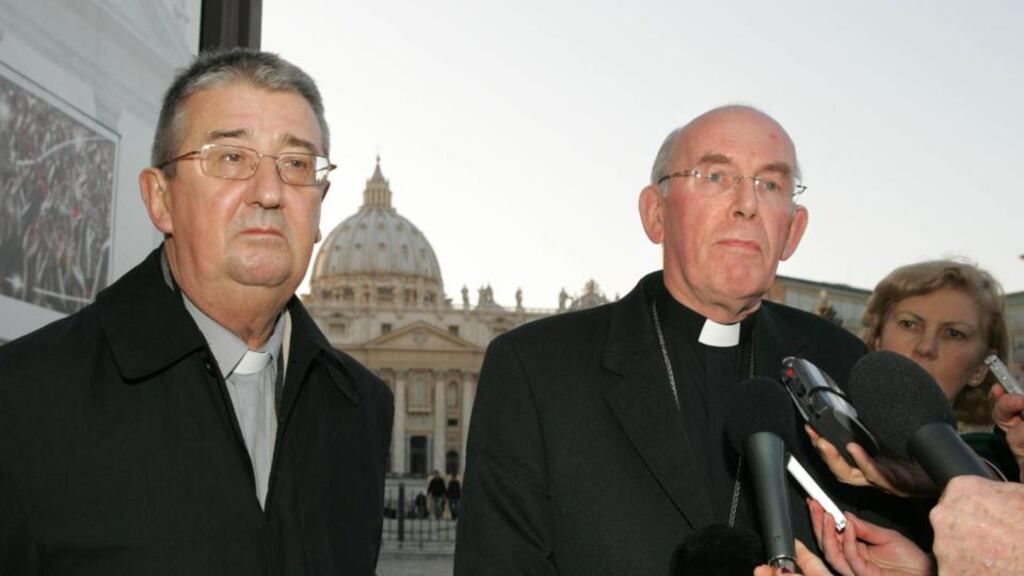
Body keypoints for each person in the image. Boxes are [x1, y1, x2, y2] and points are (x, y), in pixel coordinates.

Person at [0, 49, 393, 574]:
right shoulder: (20, 399)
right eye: (231, 158)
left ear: (319, 210)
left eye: (297, 165)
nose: (270, 192)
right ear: (160, 199)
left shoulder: (363, 407)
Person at [455, 105, 875, 575]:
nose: (747, 203)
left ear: (793, 231)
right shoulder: (535, 367)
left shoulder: (843, 366)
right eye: (716, 176)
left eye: (770, 184)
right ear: (656, 214)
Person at [807, 260, 1017, 496]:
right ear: (877, 339)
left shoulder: (1003, 456)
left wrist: (952, 474)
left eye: (954, 333)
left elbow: (991, 472)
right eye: (909, 324)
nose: (926, 347)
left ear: (980, 368)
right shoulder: (813, 433)